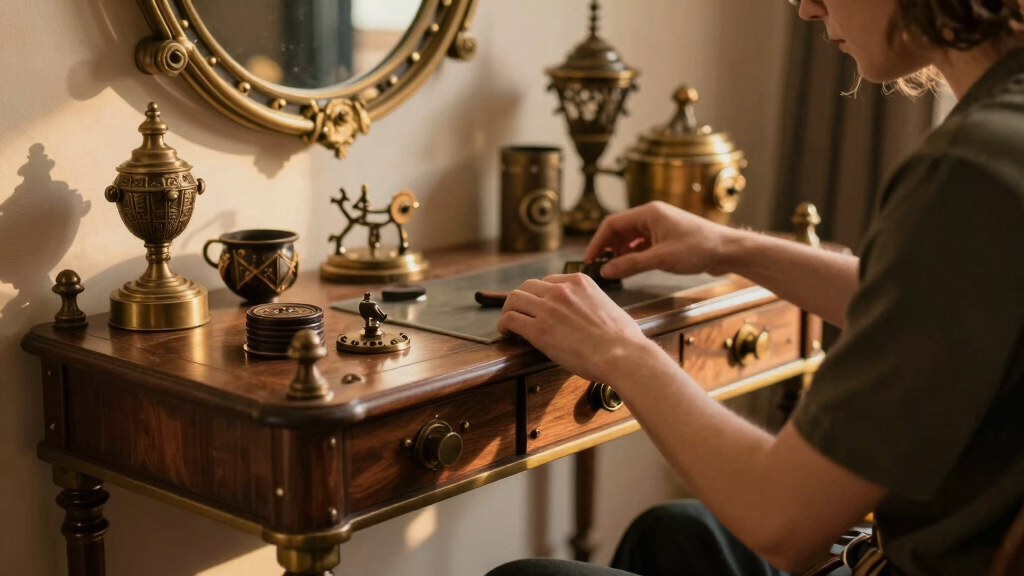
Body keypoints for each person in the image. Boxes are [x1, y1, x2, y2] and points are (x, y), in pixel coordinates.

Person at [488, 0, 1024, 574]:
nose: (808, 9)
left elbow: (782, 521)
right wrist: (729, 247)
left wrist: (620, 350)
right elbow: (935, 308)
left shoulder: (969, 170)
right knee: (673, 533)